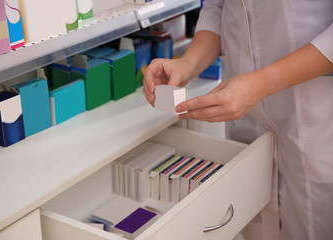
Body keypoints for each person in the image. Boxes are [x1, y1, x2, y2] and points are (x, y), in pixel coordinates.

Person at [143, 1, 333, 239]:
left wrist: (262, 83)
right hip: (246, 120)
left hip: (317, 118)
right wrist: (188, 63)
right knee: (254, 223)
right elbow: (218, 7)